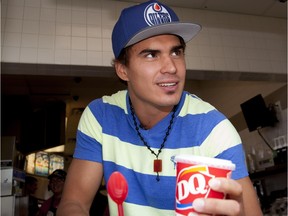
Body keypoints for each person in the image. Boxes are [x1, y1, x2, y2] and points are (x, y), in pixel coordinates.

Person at [58, 1, 262, 215]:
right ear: (123, 70)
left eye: (176, 52)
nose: (172, 67)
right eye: (151, 55)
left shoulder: (213, 129)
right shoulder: (100, 118)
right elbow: (74, 203)